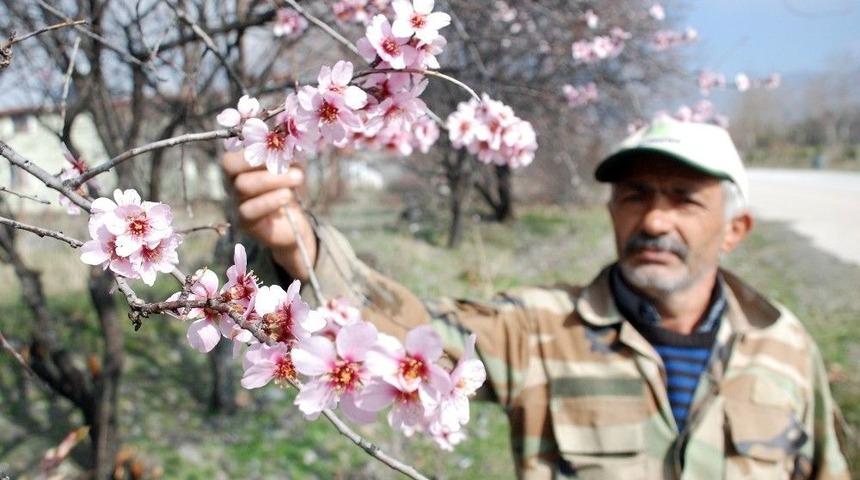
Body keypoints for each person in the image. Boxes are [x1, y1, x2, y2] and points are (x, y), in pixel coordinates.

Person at [222, 117, 849, 479]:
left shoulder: (786, 348)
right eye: (636, 195)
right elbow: (406, 334)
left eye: (684, 199)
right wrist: (300, 243)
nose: (655, 220)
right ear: (612, 211)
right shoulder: (540, 327)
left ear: (735, 228)